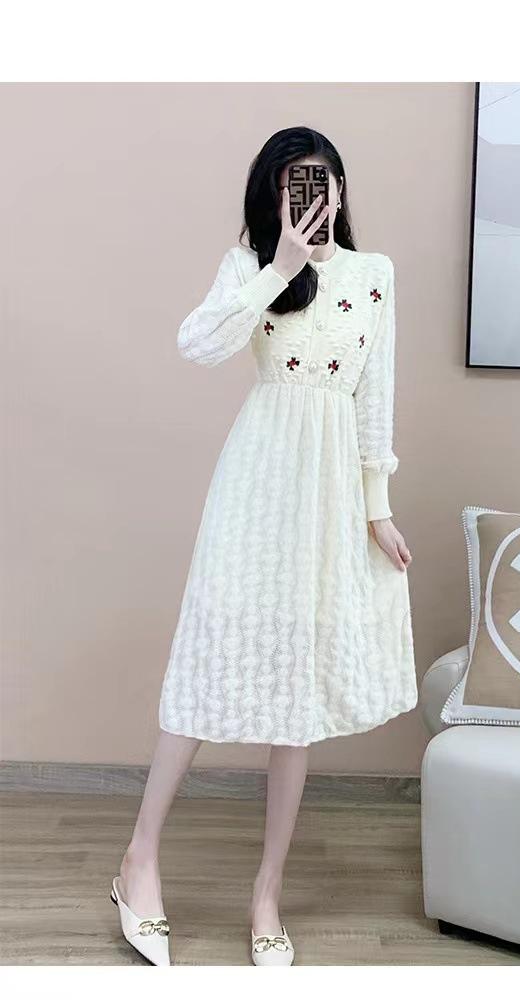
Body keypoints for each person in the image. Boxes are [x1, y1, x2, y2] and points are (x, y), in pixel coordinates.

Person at [110, 125, 418, 967]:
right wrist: (279, 268)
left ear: (342, 190)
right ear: (273, 195)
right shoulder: (248, 266)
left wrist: (377, 510)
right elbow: (197, 344)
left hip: (329, 497)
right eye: (294, 184)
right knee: (207, 665)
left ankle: (267, 894)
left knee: (297, 691)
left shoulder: (374, 274)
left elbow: (375, 398)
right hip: (256, 486)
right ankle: (139, 860)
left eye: (324, 181)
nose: (313, 197)